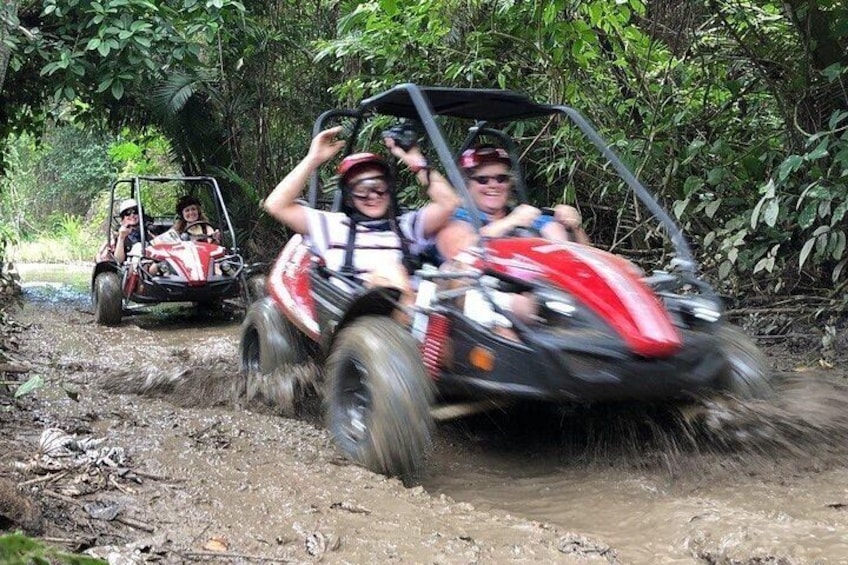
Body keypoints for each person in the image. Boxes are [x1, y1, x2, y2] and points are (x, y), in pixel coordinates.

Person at [263, 125, 460, 308]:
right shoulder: (332, 226)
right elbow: (276, 205)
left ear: (389, 189)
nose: (372, 195)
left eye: (379, 187)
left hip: (420, 310)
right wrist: (312, 159)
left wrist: (415, 160)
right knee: (391, 270)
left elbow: (449, 204)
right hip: (363, 320)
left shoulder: (407, 225)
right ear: (349, 197)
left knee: (462, 272)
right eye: (362, 189)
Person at [436, 146, 590, 262]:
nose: (493, 185)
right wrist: (510, 223)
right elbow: (458, 252)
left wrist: (574, 227)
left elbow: (586, 260)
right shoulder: (457, 218)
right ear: (466, 185)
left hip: (542, 290)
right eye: (483, 180)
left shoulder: (525, 215)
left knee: (554, 228)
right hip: (479, 295)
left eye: (501, 179)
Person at [96, 198, 146, 264]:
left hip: (150, 265)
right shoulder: (116, 234)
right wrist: (121, 238)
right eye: (127, 213)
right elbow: (118, 260)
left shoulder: (148, 230)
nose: (132, 215)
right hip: (127, 268)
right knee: (138, 247)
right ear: (123, 218)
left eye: (135, 211)